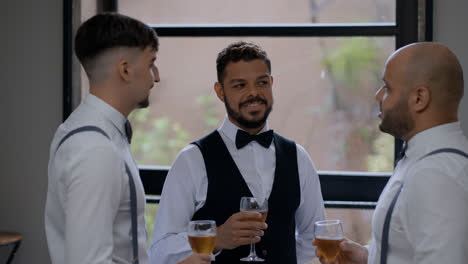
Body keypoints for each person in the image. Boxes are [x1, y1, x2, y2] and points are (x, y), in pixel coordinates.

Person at [45, 12, 206, 264]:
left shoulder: (87, 133)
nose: (157, 76)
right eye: (151, 62)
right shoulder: (95, 149)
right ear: (126, 70)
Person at [148, 41, 326, 264]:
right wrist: (217, 238)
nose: (253, 93)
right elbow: (159, 250)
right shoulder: (192, 160)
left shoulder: (299, 157)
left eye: (261, 83)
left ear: (271, 83)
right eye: (240, 85)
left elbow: (313, 238)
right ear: (220, 91)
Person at [315, 42, 468, 264]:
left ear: (419, 99)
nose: (378, 96)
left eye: (387, 87)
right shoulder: (423, 160)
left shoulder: (435, 175)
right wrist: (369, 257)